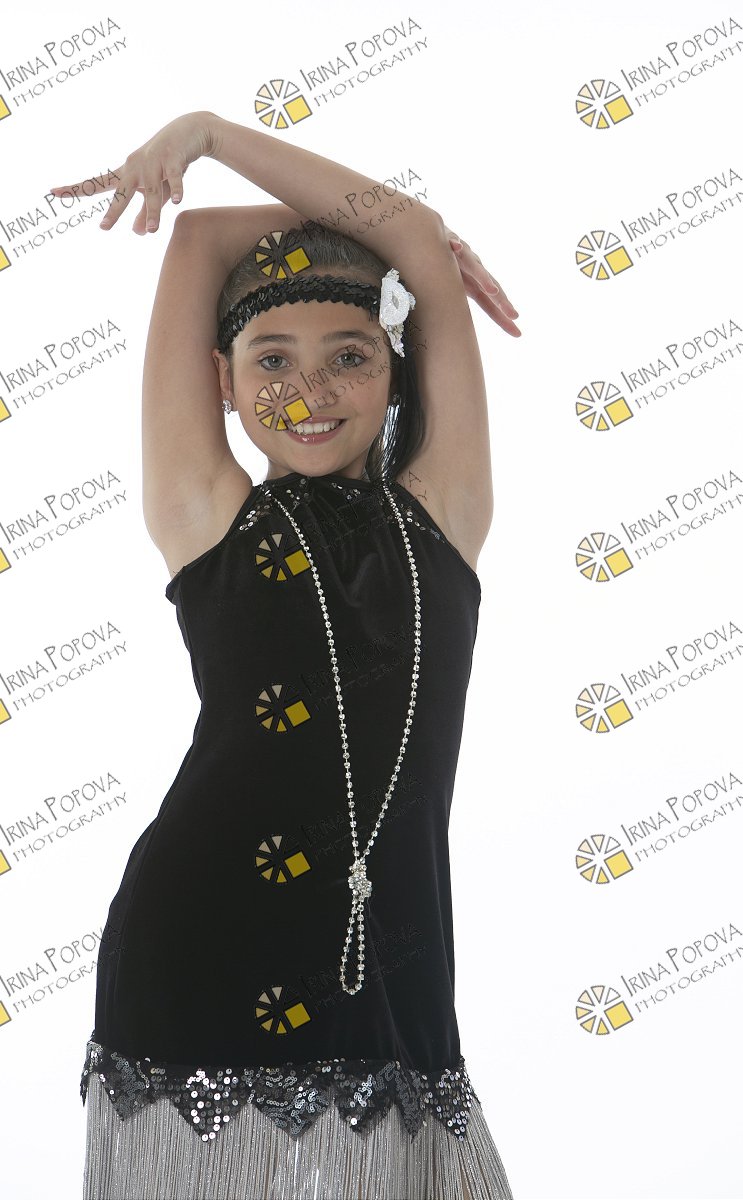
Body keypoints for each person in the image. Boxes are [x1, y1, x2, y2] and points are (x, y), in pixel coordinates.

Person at [51, 109, 520, 1200]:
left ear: (396, 371)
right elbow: (199, 236)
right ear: (221, 381)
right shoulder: (206, 515)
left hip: (394, 966)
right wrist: (206, 137)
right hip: (198, 937)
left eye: (350, 357)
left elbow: (413, 234)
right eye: (272, 361)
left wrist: (411, 248)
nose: (308, 393)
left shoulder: (443, 515)